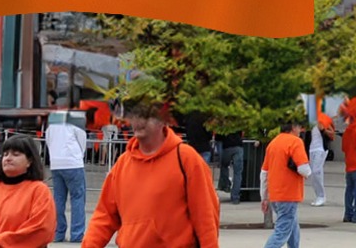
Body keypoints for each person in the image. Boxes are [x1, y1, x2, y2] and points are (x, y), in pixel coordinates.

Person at [83, 98, 220, 248]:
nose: (138, 121)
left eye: (146, 116)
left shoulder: (186, 159)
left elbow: (205, 218)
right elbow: (104, 217)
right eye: (135, 115)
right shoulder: (122, 164)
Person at [261, 118, 312, 248]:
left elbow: (264, 173)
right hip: (289, 194)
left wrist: (264, 197)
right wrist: (309, 173)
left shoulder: (273, 143)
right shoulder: (296, 142)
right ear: (293, 128)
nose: (301, 130)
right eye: (300, 127)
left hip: (275, 194)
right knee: (282, 232)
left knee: (293, 228)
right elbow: (303, 168)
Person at [45, 108, 89, 242]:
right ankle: (77, 234)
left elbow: (48, 140)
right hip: (73, 162)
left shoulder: (52, 123)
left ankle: (58, 232)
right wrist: (79, 155)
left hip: (56, 163)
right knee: (77, 198)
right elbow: (82, 139)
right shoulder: (75, 118)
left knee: (58, 198)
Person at [309, 106, 333, 206]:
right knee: (313, 174)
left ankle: (321, 196)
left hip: (320, 149)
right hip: (312, 149)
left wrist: (323, 129)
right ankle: (318, 195)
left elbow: (332, 133)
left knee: (317, 171)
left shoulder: (323, 119)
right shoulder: (310, 121)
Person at [218, 128, 246, 205]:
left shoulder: (223, 122)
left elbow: (218, 136)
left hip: (227, 147)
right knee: (238, 173)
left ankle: (226, 184)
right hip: (238, 146)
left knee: (224, 166)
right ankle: (235, 197)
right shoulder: (237, 120)